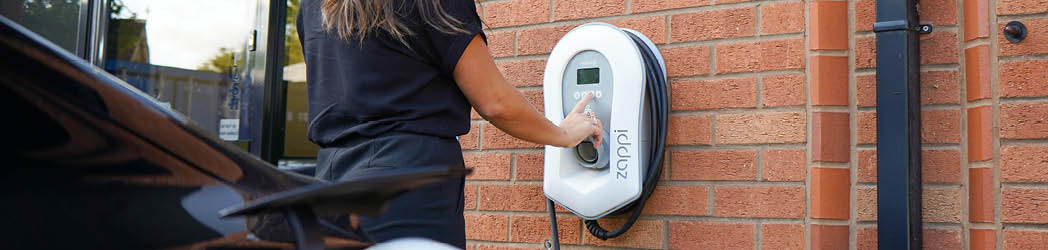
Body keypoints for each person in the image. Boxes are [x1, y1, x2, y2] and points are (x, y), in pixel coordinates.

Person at [295, 0, 604, 248]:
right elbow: (495, 102)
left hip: (331, 186)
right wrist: (563, 134)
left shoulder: (312, 6)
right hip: (407, 184)